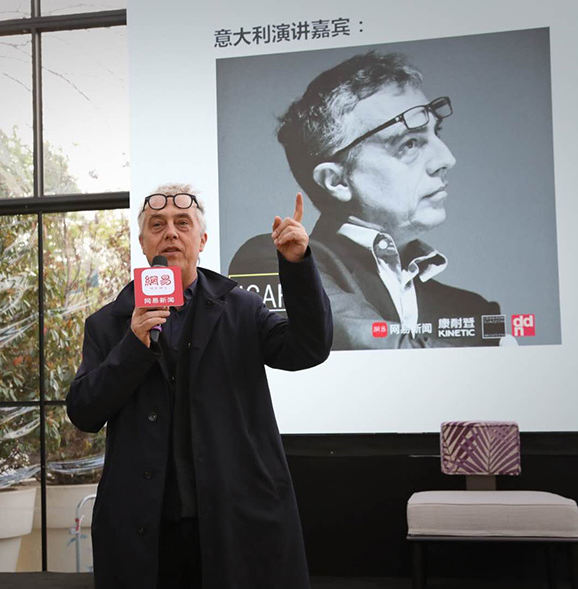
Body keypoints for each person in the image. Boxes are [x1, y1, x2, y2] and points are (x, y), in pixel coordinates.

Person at [67, 183, 332, 589]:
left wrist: (297, 266)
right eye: (157, 225)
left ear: (202, 240)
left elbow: (308, 347)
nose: (170, 233)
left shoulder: (241, 308)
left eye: (183, 223)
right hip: (145, 531)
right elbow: (84, 412)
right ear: (143, 243)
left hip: (232, 523)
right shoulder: (109, 323)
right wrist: (132, 346)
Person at [228, 51, 501, 350]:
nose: (447, 159)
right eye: (410, 143)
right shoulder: (276, 262)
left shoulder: (475, 310)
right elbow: (380, 349)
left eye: (437, 133)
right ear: (337, 181)